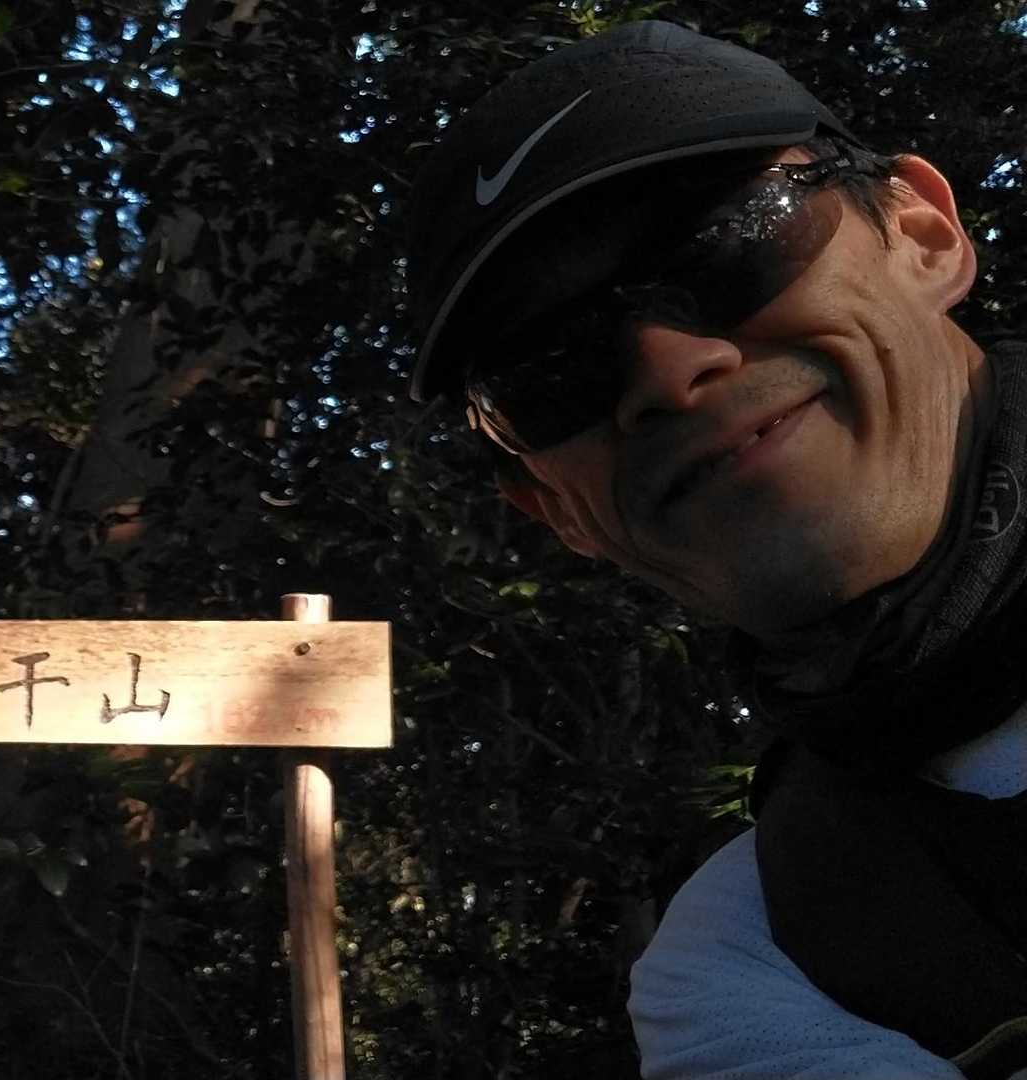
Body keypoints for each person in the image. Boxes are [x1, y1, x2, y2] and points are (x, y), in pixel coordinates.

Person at [405, 20, 1027, 1080]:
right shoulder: (746, 961)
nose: (668, 369)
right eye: (550, 370)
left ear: (924, 234)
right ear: (555, 510)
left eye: (734, 240)